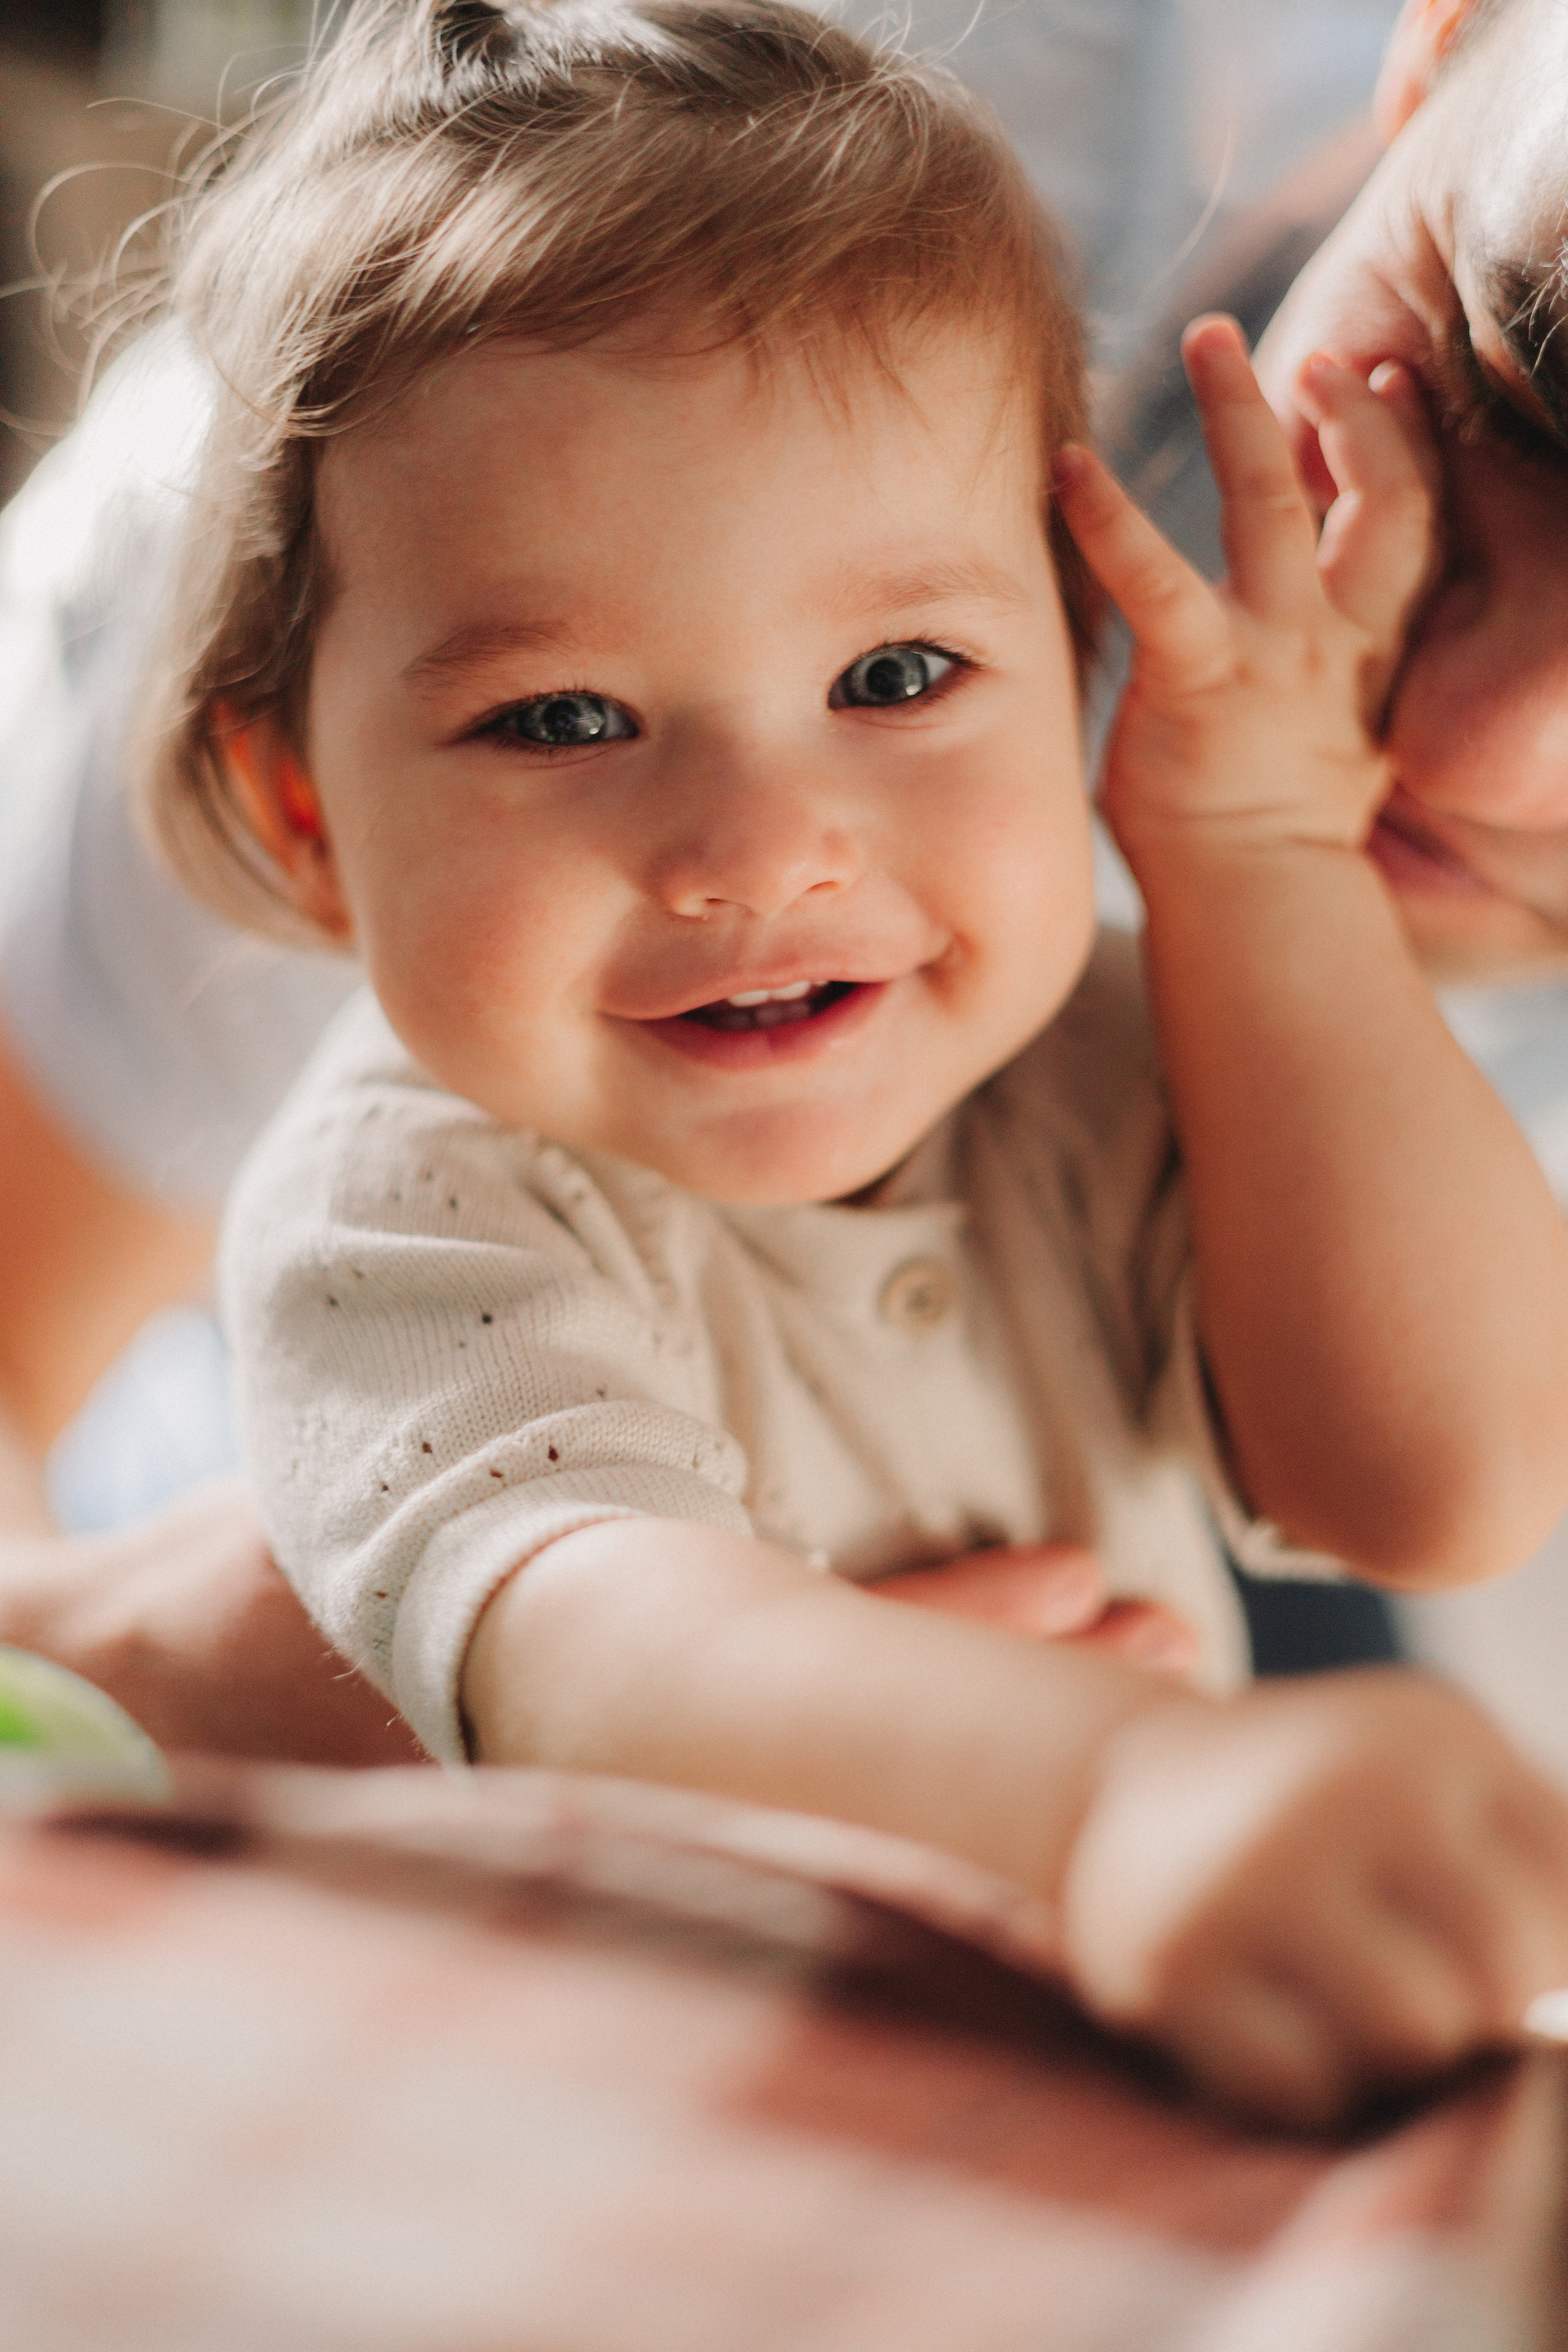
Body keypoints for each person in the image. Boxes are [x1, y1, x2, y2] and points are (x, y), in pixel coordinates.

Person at [129, 0, 1568, 2127]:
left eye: (896, 674)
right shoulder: (412, 1207)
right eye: (560, 719)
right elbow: (601, 1652)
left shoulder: (1093, 1060)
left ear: (1071, 667)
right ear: (311, 815)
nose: (756, 849)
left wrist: (1262, 858)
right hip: (603, 2143)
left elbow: (1441, 1484)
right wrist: (1116, 1802)